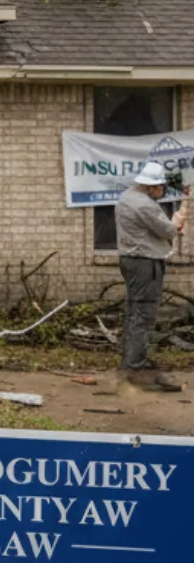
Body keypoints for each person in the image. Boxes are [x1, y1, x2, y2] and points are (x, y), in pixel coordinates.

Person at [115, 160, 186, 391]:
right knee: (144, 315)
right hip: (145, 263)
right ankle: (137, 368)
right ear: (150, 187)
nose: (162, 191)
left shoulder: (126, 197)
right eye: (160, 187)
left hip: (130, 261)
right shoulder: (145, 205)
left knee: (135, 312)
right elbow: (168, 231)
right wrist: (175, 222)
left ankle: (129, 365)